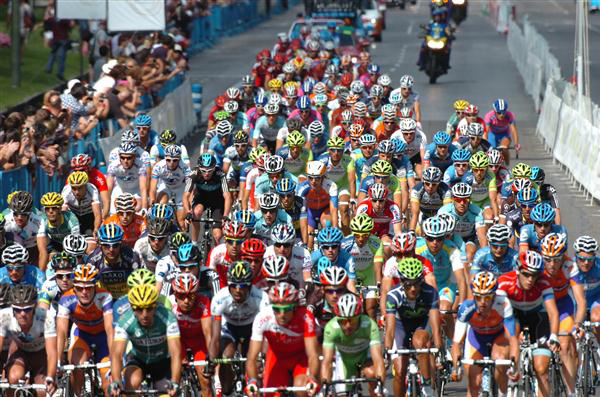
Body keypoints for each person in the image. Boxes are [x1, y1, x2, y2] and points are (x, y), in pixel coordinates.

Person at [496, 250, 561, 397]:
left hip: (538, 318)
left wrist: (554, 336)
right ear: (517, 270)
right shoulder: (505, 281)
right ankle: (511, 376)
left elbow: (553, 313)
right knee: (511, 337)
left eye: (535, 275)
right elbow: (500, 313)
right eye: (526, 274)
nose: (531, 279)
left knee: (541, 370)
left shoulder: (544, 282)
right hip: (514, 316)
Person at [451, 271, 520, 397]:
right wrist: (456, 367)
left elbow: (512, 338)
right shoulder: (467, 307)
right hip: (477, 339)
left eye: (487, 297)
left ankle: (502, 393)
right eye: (478, 297)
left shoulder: (503, 303)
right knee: (474, 383)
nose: (483, 302)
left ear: (494, 296)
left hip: (498, 337)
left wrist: (515, 365)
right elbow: (456, 342)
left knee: (500, 362)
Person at [246, 282, 321, 397]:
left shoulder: (306, 317)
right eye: (277, 309)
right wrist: (252, 381)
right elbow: (252, 357)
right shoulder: (263, 318)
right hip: (277, 358)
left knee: (302, 389)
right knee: (271, 394)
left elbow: (313, 355)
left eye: (287, 309)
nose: (282, 314)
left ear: (295, 307)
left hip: (301, 359)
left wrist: (313, 378)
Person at [385, 258, 443, 397]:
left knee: (420, 342)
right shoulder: (393, 296)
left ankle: (427, 384)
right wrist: (387, 351)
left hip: (421, 324)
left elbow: (435, 322)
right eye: (408, 284)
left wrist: (438, 346)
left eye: (416, 284)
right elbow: (391, 328)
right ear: (401, 282)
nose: (413, 288)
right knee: (399, 371)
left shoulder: (430, 292)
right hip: (400, 326)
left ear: (421, 281)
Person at [110, 284, 181, 397]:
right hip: (138, 359)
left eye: (149, 308)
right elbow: (117, 354)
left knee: (168, 394)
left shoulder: (168, 317)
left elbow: (176, 353)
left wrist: (175, 381)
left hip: (162, 361)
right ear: (132, 308)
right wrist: (116, 381)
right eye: (139, 309)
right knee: (131, 383)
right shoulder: (124, 321)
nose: (144, 314)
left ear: (155, 307)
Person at [209, 261, 268, 396]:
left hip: (252, 329)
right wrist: (211, 361)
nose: (237, 290)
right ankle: (227, 390)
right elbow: (215, 337)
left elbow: (266, 334)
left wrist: (263, 357)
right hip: (229, 328)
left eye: (242, 286)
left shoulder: (261, 298)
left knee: (257, 362)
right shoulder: (219, 299)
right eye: (233, 285)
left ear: (250, 286)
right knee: (226, 357)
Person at [56, 264, 113, 396]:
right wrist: (58, 360)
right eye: (80, 288)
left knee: (108, 380)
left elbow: (110, 330)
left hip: (103, 337)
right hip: (82, 336)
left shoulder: (104, 296)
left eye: (88, 288)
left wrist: (114, 359)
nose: (84, 292)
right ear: (74, 288)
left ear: (95, 287)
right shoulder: (66, 299)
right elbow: (61, 332)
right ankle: (77, 394)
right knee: (77, 366)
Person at [540, 233, 585, 396]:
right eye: (548, 259)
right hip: (542, 309)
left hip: (563, 307)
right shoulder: (537, 266)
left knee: (565, 345)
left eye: (557, 259)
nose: (552, 264)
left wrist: (578, 325)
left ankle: (571, 391)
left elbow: (580, 301)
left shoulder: (570, 266)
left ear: (563, 257)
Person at [322, 293, 385, 397]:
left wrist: (380, 387)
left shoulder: (369, 325)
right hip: (344, 358)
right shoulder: (331, 328)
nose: (348, 325)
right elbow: (327, 362)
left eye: (353, 320)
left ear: (360, 317)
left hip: (365, 356)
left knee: (373, 376)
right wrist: (326, 386)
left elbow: (378, 359)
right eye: (343, 321)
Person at [0, 285, 58, 397]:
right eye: (17, 309)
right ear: (12, 308)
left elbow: (51, 353)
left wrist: (51, 376)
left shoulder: (46, 317)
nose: (22, 314)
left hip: (41, 353)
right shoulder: (3, 316)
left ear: (35, 307)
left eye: (27, 309)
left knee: (43, 392)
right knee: (13, 378)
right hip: (21, 352)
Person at [416, 216, 466, 338]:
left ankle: (454, 343)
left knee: (444, 310)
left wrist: (462, 303)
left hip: (445, 285)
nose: (434, 242)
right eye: (430, 238)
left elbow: (460, 279)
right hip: (425, 285)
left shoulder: (452, 249)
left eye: (439, 239)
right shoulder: (417, 248)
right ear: (424, 237)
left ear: (444, 237)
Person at [169, 273, 213, 397]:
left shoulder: (203, 302)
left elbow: (208, 332)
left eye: (191, 296)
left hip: (199, 342)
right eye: (181, 296)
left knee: (205, 381)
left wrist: (211, 356)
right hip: (178, 341)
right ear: (175, 294)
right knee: (174, 381)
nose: (186, 301)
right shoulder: (169, 304)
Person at [340, 214, 384, 318]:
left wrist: (379, 285)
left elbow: (377, 267)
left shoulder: (376, 243)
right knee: (350, 308)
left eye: (364, 235)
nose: (360, 239)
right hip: (351, 275)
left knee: (370, 309)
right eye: (357, 235)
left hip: (369, 274)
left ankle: (373, 333)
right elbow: (341, 264)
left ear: (370, 234)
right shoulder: (345, 243)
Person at [184, 153, 232, 244]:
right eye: (203, 171)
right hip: (201, 198)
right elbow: (186, 195)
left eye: (210, 171)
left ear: (214, 168)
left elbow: (227, 196)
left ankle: (216, 251)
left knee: (217, 235)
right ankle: (194, 243)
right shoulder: (194, 173)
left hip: (217, 201)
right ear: (199, 168)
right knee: (196, 212)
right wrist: (188, 212)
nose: (207, 174)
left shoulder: (220, 174)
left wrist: (225, 215)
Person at [88, 222, 140, 299]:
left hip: (127, 298)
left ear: (121, 244)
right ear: (100, 245)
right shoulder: (93, 259)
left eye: (115, 245)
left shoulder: (131, 256)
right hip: (104, 298)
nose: (111, 249)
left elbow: (139, 283)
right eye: (106, 245)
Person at [298, 161, 339, 250]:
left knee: (327, 224)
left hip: (325, 210)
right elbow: (302, 214)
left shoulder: (331, 185)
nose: (313, 181)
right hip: (310, 212)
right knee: (309, 239)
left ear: (323, 177)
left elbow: (334, 210)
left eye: (317, 178)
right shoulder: (302, 188)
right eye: (310, 178)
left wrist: (335, 229)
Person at [150, 144, 192, 229]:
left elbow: (190, 189)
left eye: (175, 160)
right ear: (165, 158)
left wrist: (189, 207)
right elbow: (153, 188)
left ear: (179, 159)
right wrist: (153, 201)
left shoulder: (185, 168)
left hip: (180, 189)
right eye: (168, 160)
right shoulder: (158, 167)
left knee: (181, 222)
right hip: (165, 187)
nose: (171, 163)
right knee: (160, 208)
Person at [4, 191, 46, 269]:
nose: (19, 217)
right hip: (12, 251)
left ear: (30, 213)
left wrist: (41, 275)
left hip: (32, 250)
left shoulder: (38, 221)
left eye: (23, 214)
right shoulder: (6, 220)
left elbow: (42, 251)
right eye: (16, 214)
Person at [484, 99, 520, 165]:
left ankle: (507, 166)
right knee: (491, 151)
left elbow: (513, 130)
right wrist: (485, 145)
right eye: (499, 113)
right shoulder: (489, 116)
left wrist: (516, 144)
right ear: (494, 111)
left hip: (505, 134)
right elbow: (485, 131)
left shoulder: (509, 115)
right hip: (493, 134)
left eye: (503, 112)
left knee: (504, 149)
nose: (501, 115)